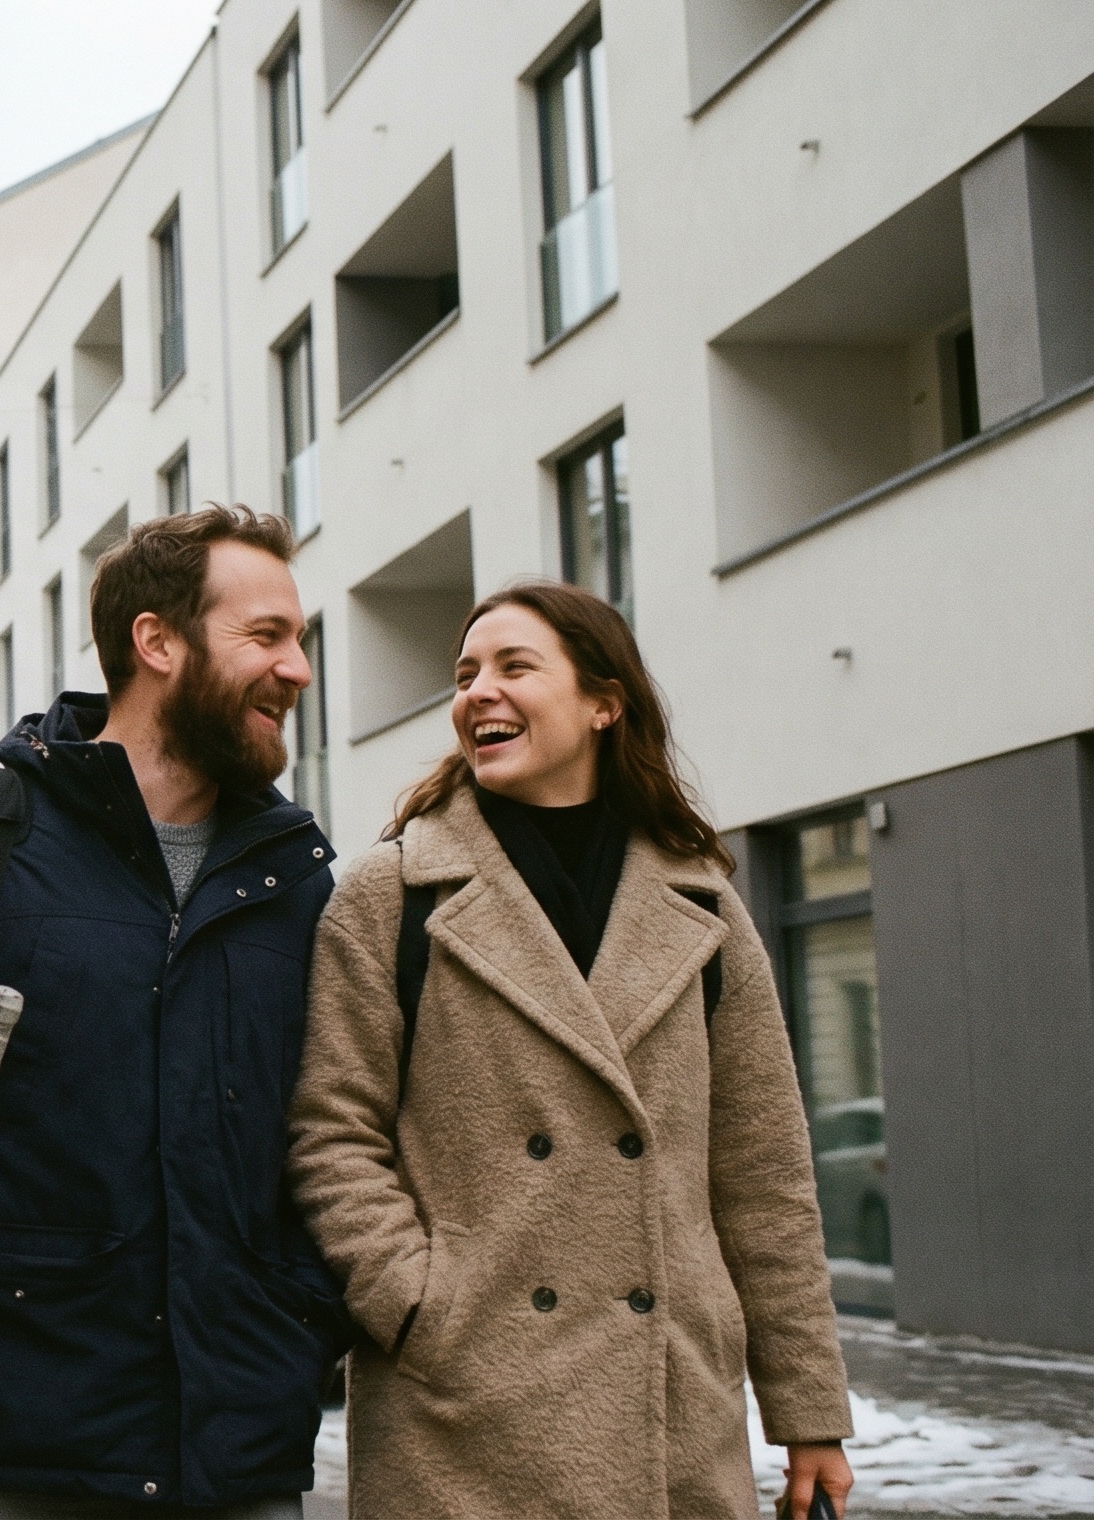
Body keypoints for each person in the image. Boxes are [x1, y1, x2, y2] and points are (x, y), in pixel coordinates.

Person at [0, 506, 346, 1519]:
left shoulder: (291, 879)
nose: (297, 668)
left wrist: (302, 1320)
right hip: (16, 1445)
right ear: (156, 641)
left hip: (237, 1450)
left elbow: (327, 1135)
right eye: (266, 636)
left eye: (296, 640)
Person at [287, 583, 855, 1520]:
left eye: (514, 667)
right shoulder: (394, 896)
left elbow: (763, 1176)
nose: (478, 693)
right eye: (466, 675)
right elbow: (329, 1132)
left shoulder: (703, 904)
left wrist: (809, 1413)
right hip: (458, 1415)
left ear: (604, 701)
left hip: (670, 1407)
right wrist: (419, 1302)